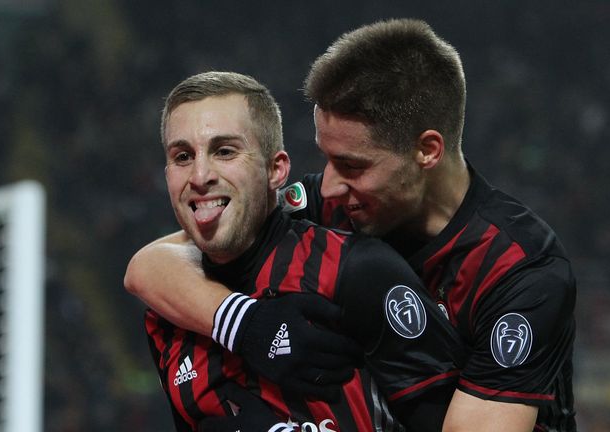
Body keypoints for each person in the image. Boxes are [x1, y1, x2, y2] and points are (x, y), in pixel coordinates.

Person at [126, 19, 576, 431]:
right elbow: (152, 264)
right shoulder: (332, 203)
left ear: (427, 152)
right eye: (325, 156)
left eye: (351, 164)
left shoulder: (524, 271)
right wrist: (246, 325)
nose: (330, 185)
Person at [141, 70, 466, 431]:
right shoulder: (166, 320)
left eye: (225, 151)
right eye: (183, 156)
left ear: (276, 170)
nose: (200, 176)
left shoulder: (358, 272)